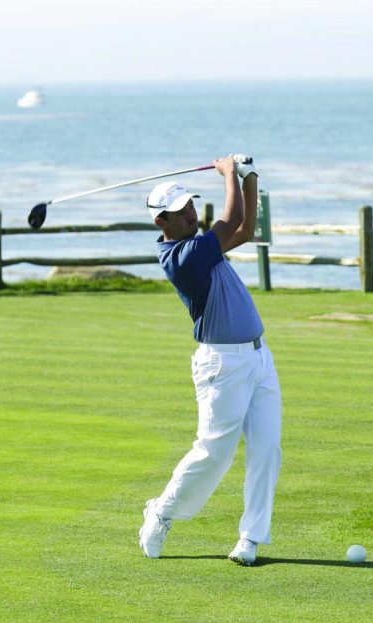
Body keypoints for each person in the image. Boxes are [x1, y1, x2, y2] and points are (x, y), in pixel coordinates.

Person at [138, 155, 282, 566]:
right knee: (213, 452)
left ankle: (251, 539)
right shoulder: (184, 257)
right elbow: (231, 215)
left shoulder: (203, 248)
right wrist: (228, 174)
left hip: (258, 358)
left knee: (267, 449)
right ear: (161, 224)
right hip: (222, 364)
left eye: (189, 207)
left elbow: (246, 227)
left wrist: (249, 175)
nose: (189, 216)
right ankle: (162, 511)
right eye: (179, 214)